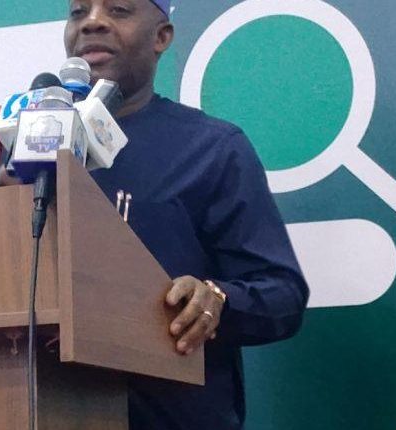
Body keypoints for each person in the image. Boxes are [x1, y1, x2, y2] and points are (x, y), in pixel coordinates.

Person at [62, 0, 310, 429]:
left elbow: (282, 294)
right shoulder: (27, 148)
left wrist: (217, 299)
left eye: (118, 10)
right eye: (78, 11)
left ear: (161, 37)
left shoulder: (210, 148)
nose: (92, 23)